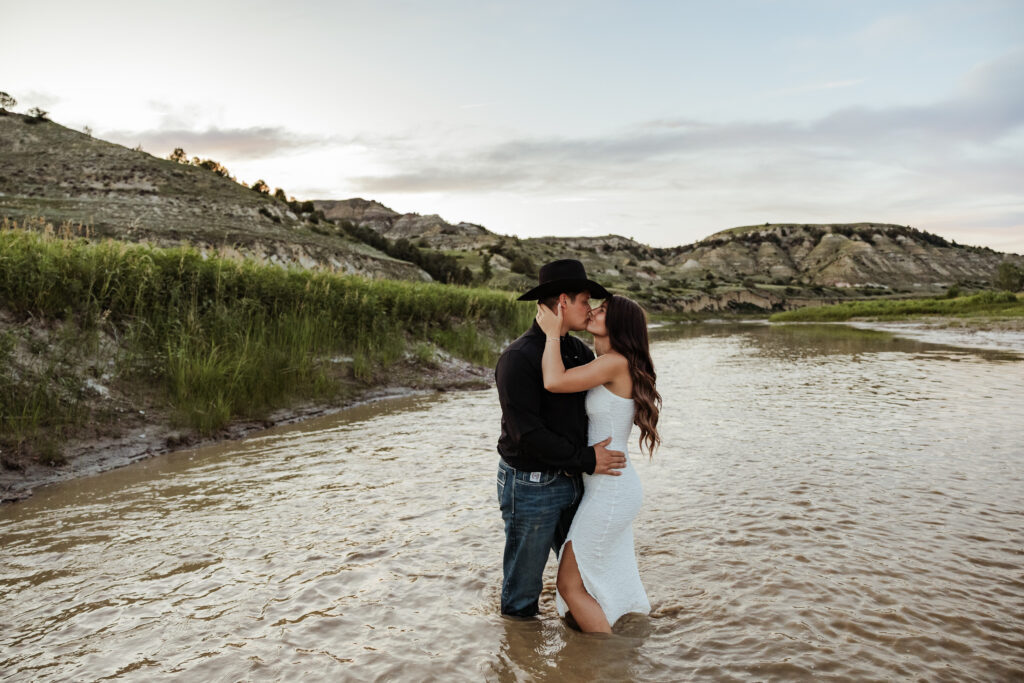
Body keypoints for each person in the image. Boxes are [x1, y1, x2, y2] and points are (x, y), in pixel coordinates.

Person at [495, 259, 627, 619]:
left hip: (574, 482)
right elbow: (528, 435)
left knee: (583, 577)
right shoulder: (517, 359)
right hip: (531, 483)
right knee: (523, 591)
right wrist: (587, 459)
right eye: (585, 301)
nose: (590, 308)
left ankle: (585, 656)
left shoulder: (576, 352)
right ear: (563, 302)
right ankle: (519, 661)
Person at [535, 293, 661, 633]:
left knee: (568, 584)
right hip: (606, 487)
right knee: (588, 577)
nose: (593, 311)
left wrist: (550, 333)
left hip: (611, 490)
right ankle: (623, 642)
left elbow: (554, 381)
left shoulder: (615, 362)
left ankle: (605, 661)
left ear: (619, 324)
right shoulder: (605, 361)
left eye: (603, 311)